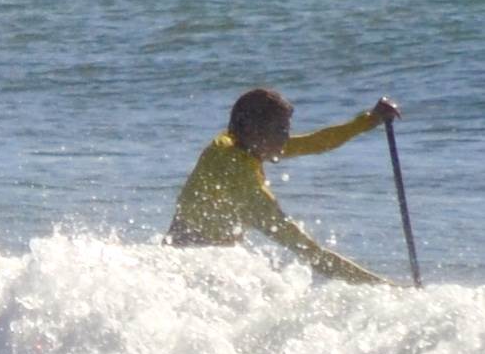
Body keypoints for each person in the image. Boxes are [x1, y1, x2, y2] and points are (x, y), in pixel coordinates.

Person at [167, 88, 399, 284]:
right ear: (251, 128)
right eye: (279, 130)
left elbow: (315, 142)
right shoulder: (243, 178)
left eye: (286, 130)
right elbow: (313, 255)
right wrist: (388, 289)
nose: (285, 138)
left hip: (186, 267)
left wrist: (371, 119)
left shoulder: (231, 144)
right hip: (196, 274)